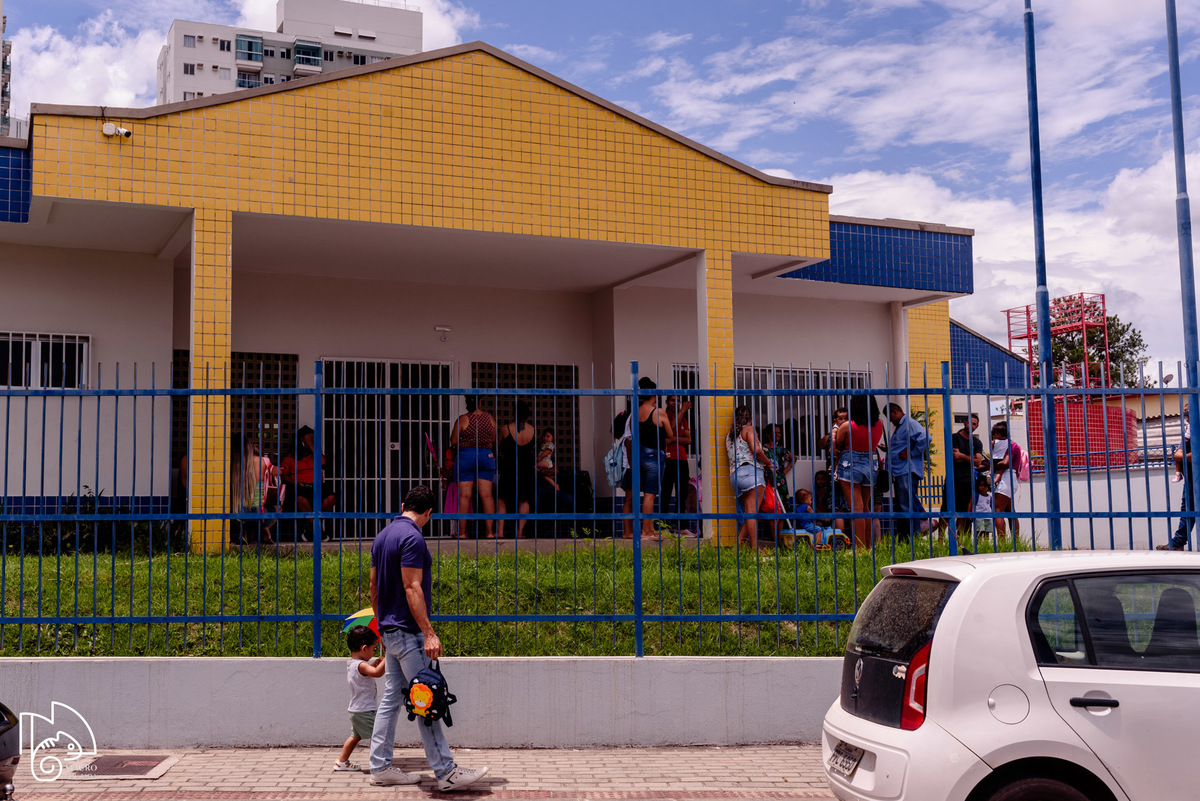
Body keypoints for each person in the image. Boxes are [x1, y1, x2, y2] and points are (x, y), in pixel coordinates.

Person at [368, 485, 489, 791]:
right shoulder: (412, 537)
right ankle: (446, 772)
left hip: (390, 630)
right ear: (429, 513)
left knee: (392, 699)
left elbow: (373, 587)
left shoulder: (382, 536)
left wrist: (382, 628)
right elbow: (412, 587)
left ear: (403, 504)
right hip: (408, 633)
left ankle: (380, 766)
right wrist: (429, 633)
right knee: (427, 698)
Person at [621, 377, 673, 540]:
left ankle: (649, 528)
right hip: (654, 455)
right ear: (653, 395)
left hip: (640, 455)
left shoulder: (635, 413)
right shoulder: (658, 412)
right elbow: (670, 434)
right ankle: (647, 531)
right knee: (650, 495)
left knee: (643, 494)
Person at [834, 395, 884, 549]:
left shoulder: (847, 426)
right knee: (866, 507)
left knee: (856, 508)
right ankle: (869, 546)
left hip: (850, 461)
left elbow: (839, 444)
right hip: (870, 463)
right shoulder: (879, 424)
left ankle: (859, 547)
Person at [335, 625, 386, 771]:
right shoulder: (361, 665)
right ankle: (380, 765)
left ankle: (341, 762)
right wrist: (388, 657)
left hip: (356, 710)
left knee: (355, 737)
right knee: (378, 737)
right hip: (364, 711)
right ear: (364, 648)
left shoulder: (352, 664)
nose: (374, 652)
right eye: (373, 649)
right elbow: (376, 673)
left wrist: (375, 662)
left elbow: (369, 669)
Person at [725, 404, 774, 549]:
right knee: (752, 513)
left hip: (735, 476)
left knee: (748, 513)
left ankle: (737, 546)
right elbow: (756, 450)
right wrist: (769, 463)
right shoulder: (749, 429)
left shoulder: (730, 435)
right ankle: (755, 549)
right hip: (751, 473)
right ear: (750, 417)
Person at [449, 397, 497, 539]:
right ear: (480, 402)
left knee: (464, 496)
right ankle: (490, 532)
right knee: (487, 496)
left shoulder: (463, 419)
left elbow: (453, 441)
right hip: (485, 456)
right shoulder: (489, 418)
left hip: (466, 456)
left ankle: (462, 533)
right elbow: (493, 438)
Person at [280, 425, 337, 542]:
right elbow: (284, 475)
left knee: (332, 498)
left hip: (317, 486)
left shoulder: (315, 454)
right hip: (301, 486)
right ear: (301, 440)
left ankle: (311, 528)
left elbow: (324, 464)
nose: (312, 440)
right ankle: (318, 530)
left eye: (313, 438)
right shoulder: (291, 455)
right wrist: (296, 482)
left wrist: (312, 446)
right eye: (308, 438)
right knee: (300, 499)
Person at [886, 403, 929, 542]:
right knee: (903, 506)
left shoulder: (909, 423)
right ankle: (905, 539)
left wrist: (912, 453)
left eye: (890, 417)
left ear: (894, 412)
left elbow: (926, 438)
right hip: (900, 472)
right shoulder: (901, 426)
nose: (890, 421)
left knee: (907, 506)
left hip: (906, 471)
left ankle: (912, 539)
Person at [497, 400, 537, 538]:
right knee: (524, 500)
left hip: (509, 468)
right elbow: (533, 450)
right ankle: (520, 532)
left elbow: (498, 446)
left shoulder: (505, 429)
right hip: (526, 470)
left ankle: (500, 532)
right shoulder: (533, 430)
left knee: (502, 500)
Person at [231, 434, 276, 546]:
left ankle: (243, 536)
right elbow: (274, 476)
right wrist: (258, 453)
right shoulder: (263, 461)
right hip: (260, 514)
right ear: (248, 446)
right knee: (277, 508)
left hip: (237, 515)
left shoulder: (230, 464)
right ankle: (264, 530)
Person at [659, 396, 693, 532]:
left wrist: (672, 439)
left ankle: (681, 526)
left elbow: (688, 440)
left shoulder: (683, 419)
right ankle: (663, 526)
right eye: (673, 400)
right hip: (668, 458)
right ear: (667, 402)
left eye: (678, 401)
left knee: (682, 493)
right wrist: (683, 410)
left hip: (682, 459)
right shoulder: (663, 415)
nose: (676, 403)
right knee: (666, 493)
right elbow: (669, 430)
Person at [948, 413, 985, 535]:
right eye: (969, 422)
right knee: (947, 510)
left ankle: (960, 540)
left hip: (968, 480)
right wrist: (970, 458)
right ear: (964, 422)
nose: (971, 425)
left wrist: (962, 456)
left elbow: (978, 462)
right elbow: (954, 457)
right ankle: (941, 541)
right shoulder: (955, 437)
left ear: (977, 426)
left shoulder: (977, 443)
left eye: (974, 424)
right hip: (953, 479)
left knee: (963, 513)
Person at [990, 421, 1018, 539]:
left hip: (1006, 478)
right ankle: (1016, 541)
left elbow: (1004, 463)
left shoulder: (1010, 445)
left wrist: (991, 467)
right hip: (1010, 478)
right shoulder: (1010, 444)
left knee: (997, 510)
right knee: (1010, 511)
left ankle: (1002, 543)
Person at [762, 423, 795, 512]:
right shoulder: (762, 449)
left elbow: (794, 458)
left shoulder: (781, 450)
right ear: (768, 434)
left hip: (781, 482)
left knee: (782, 507)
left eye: (779, 433)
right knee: (770, 507)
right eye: (775, 432)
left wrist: (785, 470)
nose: (778, 435)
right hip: (768, 482)